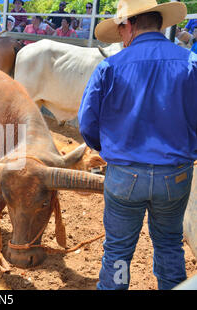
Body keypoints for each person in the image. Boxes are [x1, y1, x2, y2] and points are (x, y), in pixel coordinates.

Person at [78, 0, 196, 290]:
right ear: (159, 23)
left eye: (120, 29)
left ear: (129, 25)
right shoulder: (190, 63)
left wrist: (109, 151)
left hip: (124, 175)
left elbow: (86, 123)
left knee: (117, 251)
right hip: (175, 173)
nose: (120, 36)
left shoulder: (110, 67)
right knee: (169, 244)